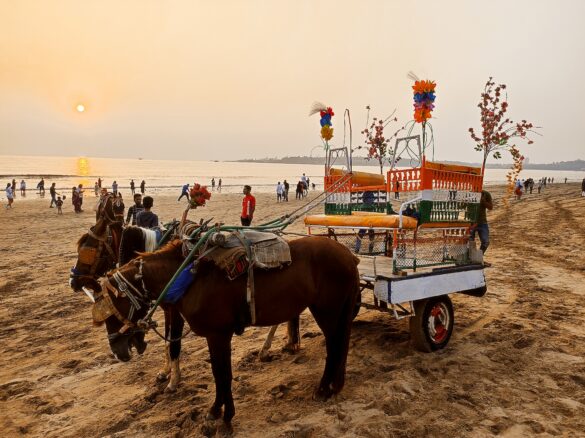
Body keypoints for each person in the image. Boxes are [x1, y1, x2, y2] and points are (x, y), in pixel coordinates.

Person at [470, 190, 493, 261]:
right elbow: (461, 206)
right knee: (469, 242)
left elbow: (490, 207)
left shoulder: (486, 194)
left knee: (486, 242)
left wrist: (483, 201)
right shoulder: (468, 193)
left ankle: (478, 257)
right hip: (470, 222)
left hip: (482, 222)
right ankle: (470, 259)